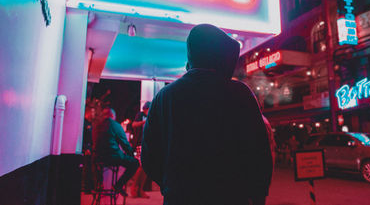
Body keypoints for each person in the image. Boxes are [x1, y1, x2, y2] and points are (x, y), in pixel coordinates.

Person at [141, 24, 273, 205]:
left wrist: (171, 185)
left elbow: (149, 156)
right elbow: (259, 152)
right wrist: (257, 195)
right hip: (232, 196)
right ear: (221, 57)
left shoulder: (165, 97)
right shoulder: (239, 94)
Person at [92, 108, 139, 197]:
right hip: (113, 157)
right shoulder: (116, 125)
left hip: (97, 158)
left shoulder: (96, 125)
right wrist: (132, 155)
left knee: (96, 163)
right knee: (135, 163)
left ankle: (98, 186)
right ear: (113, 116)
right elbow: (125, 144)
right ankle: (118, 185)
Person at [130, 101, 151, 198]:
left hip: (149, 144)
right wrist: (144, 121)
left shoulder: (152, 116)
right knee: (141, 166)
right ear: (146, 109)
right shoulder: (140, 115)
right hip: (140, 144)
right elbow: (133, 125)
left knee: (146, 167)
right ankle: (134, 188)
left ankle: (140, 189)